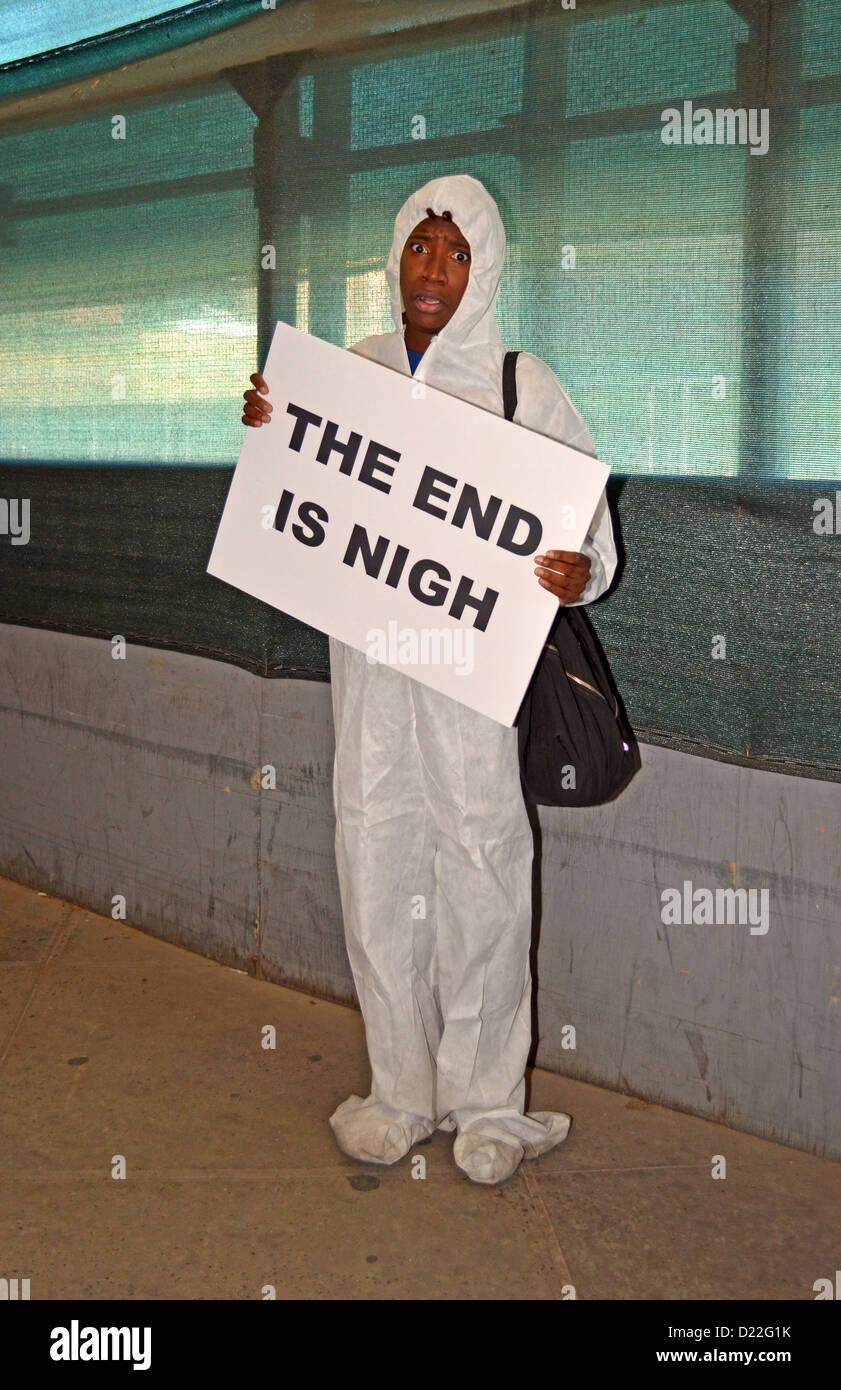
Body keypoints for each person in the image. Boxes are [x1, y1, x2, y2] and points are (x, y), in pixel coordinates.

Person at [242, 173, 617, 1184]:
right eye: (418, 247)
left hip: (468, 688)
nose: (434, 271)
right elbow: (299, 493)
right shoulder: (348, 375)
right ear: (394, 255)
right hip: (369, 685)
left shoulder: (516, 383)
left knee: (484, 873)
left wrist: (580, 572)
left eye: (456, 252)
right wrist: (272, 429)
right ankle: (399, 1089)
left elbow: (586, 529)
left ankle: (489, 1104)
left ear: (484, 265)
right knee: (376, 864)